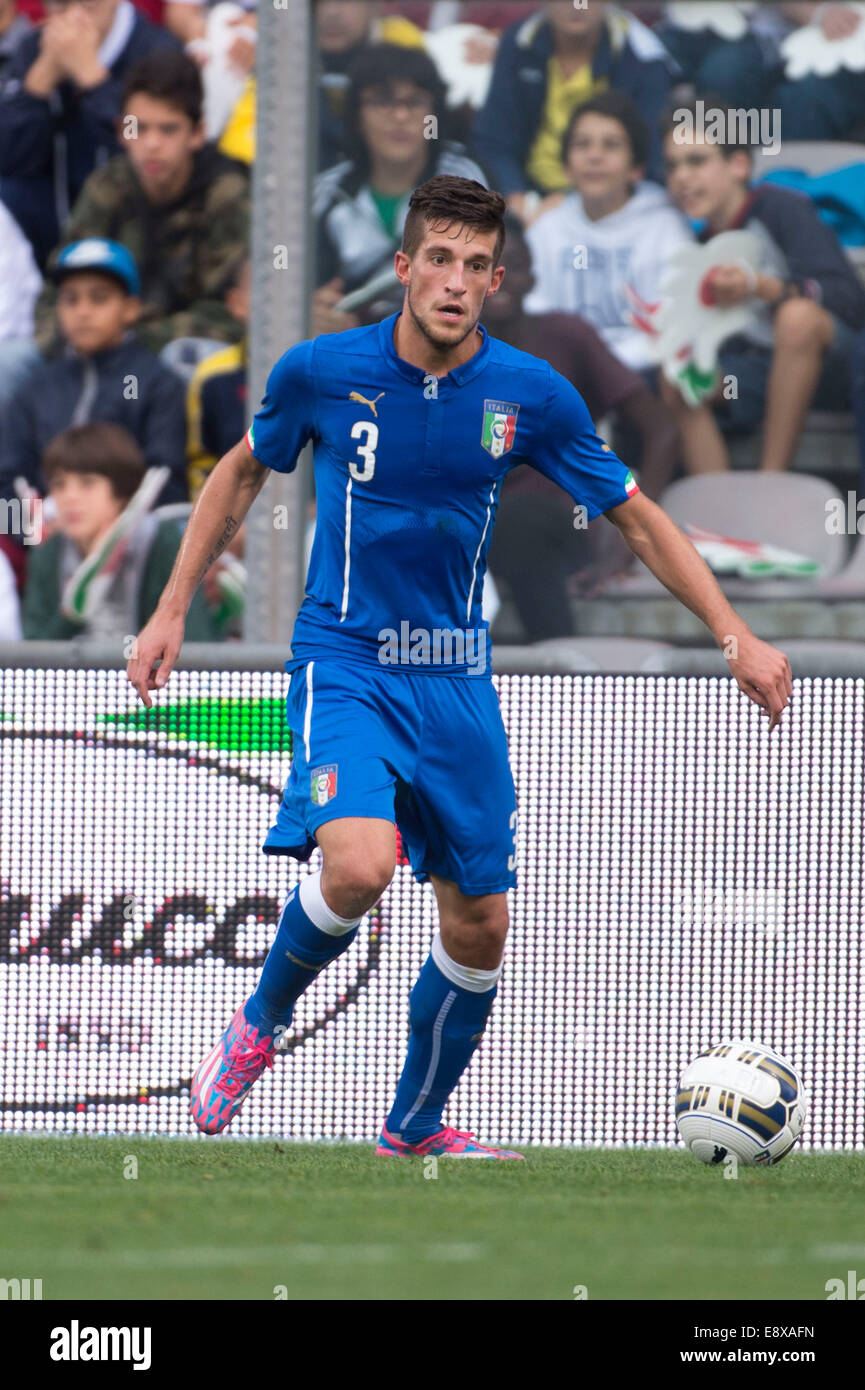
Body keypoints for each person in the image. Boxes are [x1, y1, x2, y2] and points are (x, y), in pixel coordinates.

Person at [126, 174, 792, 1159]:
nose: (453, 280)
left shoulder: (530, 394)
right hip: (345, 658)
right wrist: (170, 610)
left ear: (494, 281)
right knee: (359, 862)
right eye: (437, 258)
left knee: (480, 923)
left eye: (474, 265)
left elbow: (638, 517)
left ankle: (414, 1124)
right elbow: (240, 470)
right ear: (403, 268)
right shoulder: (319, 371)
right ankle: (260, 1021)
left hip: (454, 679)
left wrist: (735, 634)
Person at [482, 213, 680, 634]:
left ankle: (556, 661)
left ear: (533, 278)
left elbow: (661, 432)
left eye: (511, 266)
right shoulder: (445, 350)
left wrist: (631, 542)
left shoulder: (566, 337)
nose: (498, 278)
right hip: (472, 522)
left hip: (559, 521)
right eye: (482, 266)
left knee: (521, 517)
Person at [661, 95, 865, 474]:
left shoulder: (782, 207)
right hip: (754, 373)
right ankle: (717, 513)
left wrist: (760, 287)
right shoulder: (695, 243)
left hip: (830, 367)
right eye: (672, 166)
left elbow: (848, 300)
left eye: (696, 161)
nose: (682, 178)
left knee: (796, 318)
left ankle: (771, 484)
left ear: (737, 164)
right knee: (677, 376)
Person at [32, 48, 250, 359]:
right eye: (139, 128)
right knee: (11, 363)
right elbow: (59, 283)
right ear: (123, 130)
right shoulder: (108, 185)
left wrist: (127, 337)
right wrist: (68, 339)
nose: (151, 144)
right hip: (97, 347)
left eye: (168, 129)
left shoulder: (227, 194)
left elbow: (233, 312)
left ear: (198, 133)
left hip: (177, 359)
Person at [0, 238, 188, 540]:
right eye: (71, 299)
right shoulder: (36, 387)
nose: (83, 311)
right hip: (41, 547)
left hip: (129, 549)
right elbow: (7, 480)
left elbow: (165, 481)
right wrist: (35, 534)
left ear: (130, 308)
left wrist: (108, 531)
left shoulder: (153, 382)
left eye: (98, 298)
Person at [313, 42, 486, 335]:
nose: (400, 116)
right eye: (382, 102)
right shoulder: (326, 193)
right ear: (357, 117)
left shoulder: (466, 181)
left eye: (415, 102)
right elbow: (309, 285)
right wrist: (317, 310)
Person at [523, 89, 692, 372]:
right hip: (561, 375)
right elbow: (533, 314)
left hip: (642, 374)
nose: (594, 156)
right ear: (566, 166)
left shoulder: (666, 227)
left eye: (611, 145)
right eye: (582, 144)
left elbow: (672, 326)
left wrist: (603, 369)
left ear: (636, 168)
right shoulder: (547, 228)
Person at [0, 0, 179, 268]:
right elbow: (7, 156)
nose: (74, 17)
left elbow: (142, 141)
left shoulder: (157, 51)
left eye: (88, 4)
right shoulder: (34, 48)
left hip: (131, 219)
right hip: (51, 222)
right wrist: (37, 85)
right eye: (60, 6)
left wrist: (93, 80)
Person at [471, 1, 676, 225]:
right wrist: (515, 197)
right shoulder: (518, 40)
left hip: (610, 200)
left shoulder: (644, 56)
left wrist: (572, 202)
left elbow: (647, 160)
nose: (577, 6)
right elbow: (493, 140)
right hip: (525, 197)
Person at [21, 421, 219, 640]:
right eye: (59, 485)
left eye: (87, 483)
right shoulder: (47, 553)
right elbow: (34, 654)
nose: (69, 497)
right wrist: (73, 615)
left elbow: (192, 644)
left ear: (121, 493)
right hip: (77, 676)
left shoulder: (162, 543)